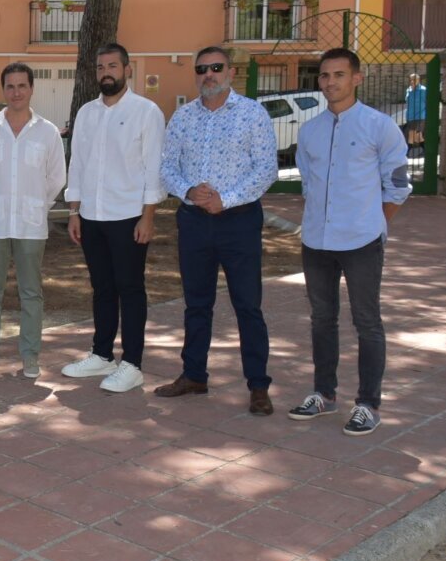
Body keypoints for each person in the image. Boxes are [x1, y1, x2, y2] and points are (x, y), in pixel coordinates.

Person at [288, 48, 411, 435]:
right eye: (324, 76)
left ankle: (368, 404)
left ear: (357, 78)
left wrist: (374, 223)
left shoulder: (379, 126)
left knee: (367, 321)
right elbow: (308, 182)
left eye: (339, 75)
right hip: (317, 241)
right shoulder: (310, 131)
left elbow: (398, 185)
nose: (330, 82)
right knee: (322, 319)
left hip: (361, 241)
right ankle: (324, 394)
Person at [157, 46, 278, 415]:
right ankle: (194, 375)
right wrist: (189, 191)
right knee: (196, 304)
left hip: (239, 221)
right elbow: (166, 167)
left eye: (215, 67)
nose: (208, 74)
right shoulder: (182, 117)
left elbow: (266, 169)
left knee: (248, 305)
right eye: (201, 69)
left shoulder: (252, 114)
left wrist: (226, 199)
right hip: (194, 221)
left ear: (230, 71)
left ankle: (258, 385)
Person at [61, 44, 166, 391]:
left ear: (127, 69)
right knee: (102, 288)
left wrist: (148, 217)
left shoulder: (146, 112)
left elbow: (153, 169)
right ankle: (102, 354)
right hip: (91, 216)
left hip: (128, 217)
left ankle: (132, 364)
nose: (106, 72)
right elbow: (77, 163)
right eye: (100, 67)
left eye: (112, 66)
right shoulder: (86, 113)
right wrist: (74, 211)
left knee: (130, 289)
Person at [0, 63, 66, 379]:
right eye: (10, 86)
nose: (16, 92)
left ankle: (30, 355)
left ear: (31, 88)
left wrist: (37, 204)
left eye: (22, 86)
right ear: (4, 90)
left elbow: (56, 177)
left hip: (30, 225)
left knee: (31, 293)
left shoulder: (47, 132)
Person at [404, 73, 427, 152]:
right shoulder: (408, 90)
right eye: (411, 80)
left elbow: (427, 102)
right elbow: (407, 101)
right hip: (410, 116)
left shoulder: (423, 90)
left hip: (420, 116)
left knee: (415, 135)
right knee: (414, 136)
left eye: (414, 80)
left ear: (418, 80)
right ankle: (426, 151)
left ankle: (406, 153)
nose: (412, 81)